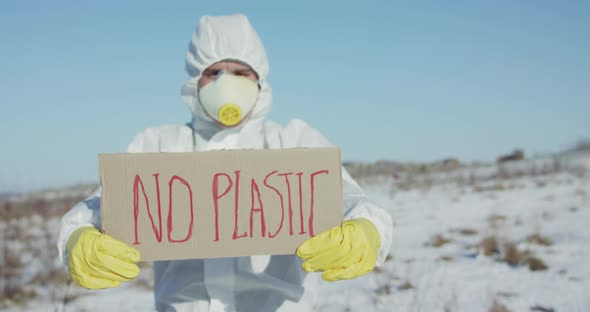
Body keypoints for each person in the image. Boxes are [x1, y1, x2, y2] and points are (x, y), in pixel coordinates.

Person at [57, 14, 393, 312]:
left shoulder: (293, 140)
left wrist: (367, 232)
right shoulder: (157, 145)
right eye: (213, 72)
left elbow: (353, 201)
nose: (226, 83)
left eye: (240, 72)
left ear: (259, 81)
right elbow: (98, 208)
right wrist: (78, 238)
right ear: (194, 80)